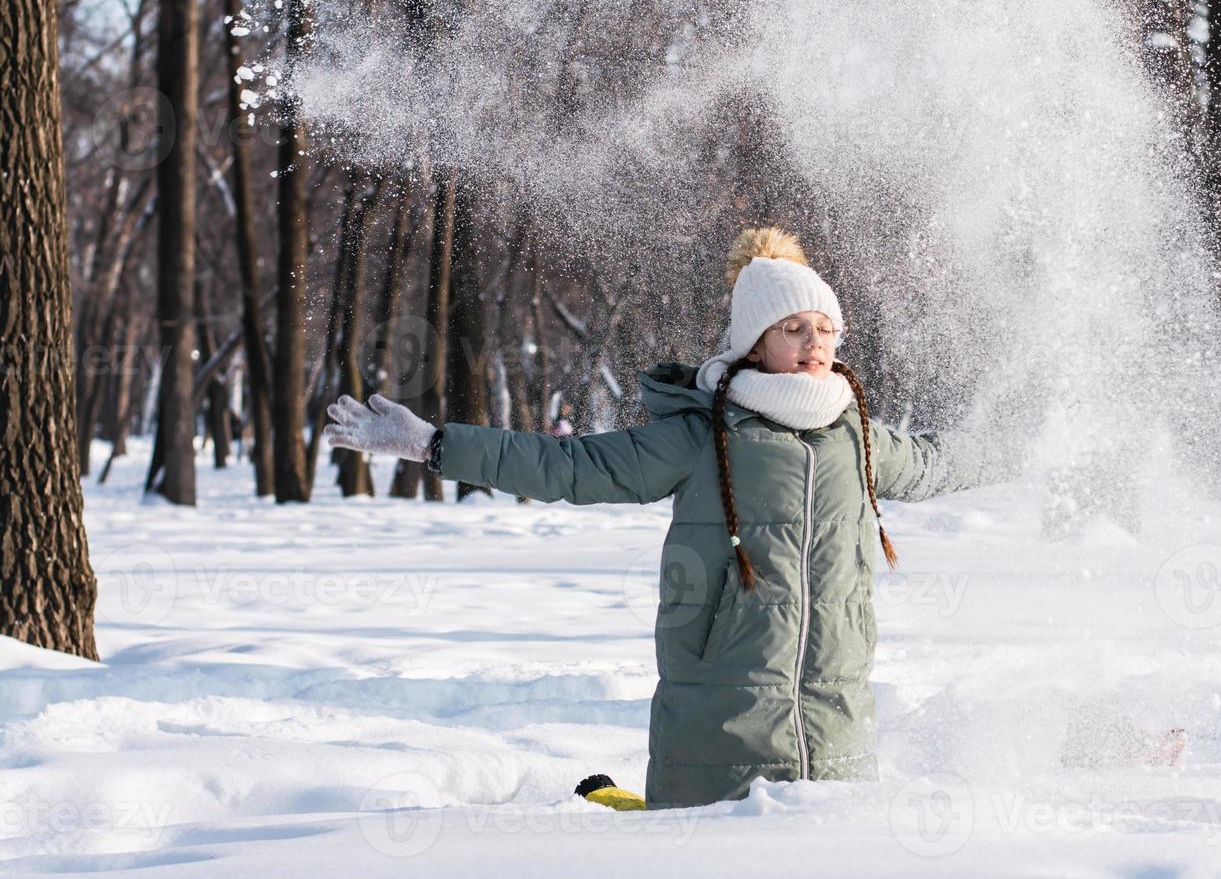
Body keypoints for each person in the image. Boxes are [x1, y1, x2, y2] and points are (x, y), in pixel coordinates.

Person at [325, 226, 999, 809]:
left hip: (838, 734)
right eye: (793, 328)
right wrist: (434, 443)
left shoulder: (858, 438)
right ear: (755, 343)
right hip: (717, 730)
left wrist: (1047, 445)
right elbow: (573, 468)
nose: (813, 342)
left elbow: (944, 462)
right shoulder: (702, 434)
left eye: (825, 329)